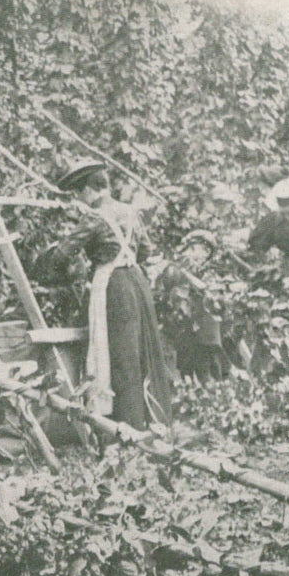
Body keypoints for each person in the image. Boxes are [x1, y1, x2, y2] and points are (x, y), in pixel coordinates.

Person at [37, 160, 173, 432]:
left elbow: (63, 253)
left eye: (79, 193)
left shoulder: (95, 217)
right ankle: (150, 420)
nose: (79, 200)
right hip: (136, 281)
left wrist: (49, 271)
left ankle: (124, 428)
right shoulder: (129, 212)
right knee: (139, 351)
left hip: (113, 287)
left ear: (90, 190)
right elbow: (144, 251)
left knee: (117, 354)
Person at [156, 230, 229, 380]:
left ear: (206, 251)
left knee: (208, 370)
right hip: (189, 333)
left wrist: (184, 273)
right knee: (187, 368)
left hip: (206, 334)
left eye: (193, 249)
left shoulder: (212, 271)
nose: (188, 253)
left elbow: (205, 288)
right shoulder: (185, 270)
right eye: (188, 249)